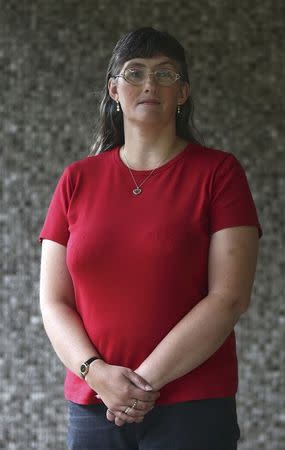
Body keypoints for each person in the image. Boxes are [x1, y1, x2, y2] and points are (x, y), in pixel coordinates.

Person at [38, 27, 262, 450]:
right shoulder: (76, 180)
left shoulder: (219, 173)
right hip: (94, 404)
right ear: (114, 90)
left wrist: (138, 386)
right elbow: (53, 301)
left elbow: (229, 297)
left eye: (165, 74)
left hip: (192, 406)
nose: (148, 84)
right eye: (134, 72)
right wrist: (97, 374)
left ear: (183, 93)